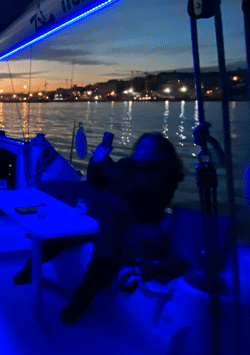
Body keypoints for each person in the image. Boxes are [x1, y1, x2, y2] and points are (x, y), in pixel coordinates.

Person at [12, 132, 183, 323]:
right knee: (64, 234)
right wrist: (97, 159)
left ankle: (82, 299)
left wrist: (105, 162)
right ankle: (31, 268)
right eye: (138, 145)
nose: (137, 148)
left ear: (159, 154)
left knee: (106, 254)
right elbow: (97, 180)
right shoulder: (129, 165)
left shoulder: (164, 176)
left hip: (128, 225)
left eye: (144, 147)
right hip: (103, 213)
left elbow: (128, 186)